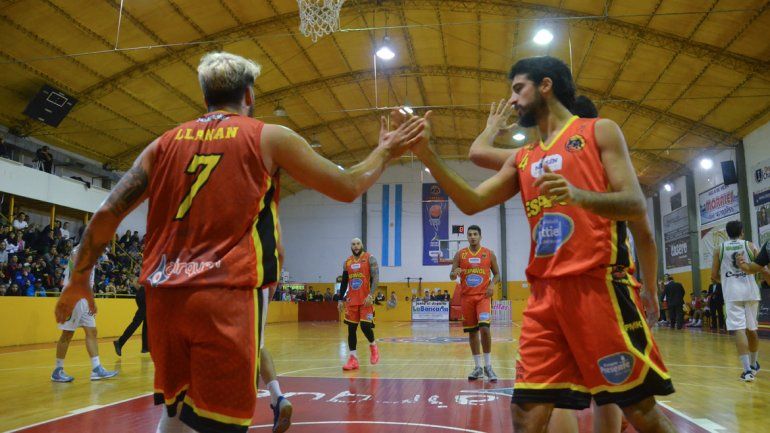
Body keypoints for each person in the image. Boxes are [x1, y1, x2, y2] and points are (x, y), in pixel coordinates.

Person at [54, 51, 423, 433]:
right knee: (221, 424)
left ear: (204, 97)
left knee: (175, 414)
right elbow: (347, 186)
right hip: (224, 295)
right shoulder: (268, 137)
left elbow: (107, 213)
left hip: (164, 298)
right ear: (249, 95)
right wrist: (386, 150)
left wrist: (78, 279)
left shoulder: (161, 145)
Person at [397, 55, 675, 432]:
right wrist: (426, 153)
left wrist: (578, 196)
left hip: (597, 289)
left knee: (639, 411)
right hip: (544, 298)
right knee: (527, 412)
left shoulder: (599, 131)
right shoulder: (524, 157)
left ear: (545, 85)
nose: (512, 99)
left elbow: (635, 204)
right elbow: (472, 201)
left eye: (518, 89)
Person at [463, 93, 648, 433]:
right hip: (605, 287)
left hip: (564, 288)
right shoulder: (605, 162)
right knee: (608, 386)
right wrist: (649, 287)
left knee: (561, 393)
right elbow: (645, 233)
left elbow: (477, 153)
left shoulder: (540, 158)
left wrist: (492, 128)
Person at [51, 245, 118, 382]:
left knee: (92, 331)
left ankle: (96, 369)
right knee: (67, 334)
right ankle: (57, 370)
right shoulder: (79, 251)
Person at [450, 225, 500, 382]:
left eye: (475, 234)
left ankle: (488, 366)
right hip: (466, 298)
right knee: (472, 332)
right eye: (470, 234)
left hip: (483, 297)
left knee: (484, 328)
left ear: (480, 236)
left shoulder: (489, 254)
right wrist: (454, 273)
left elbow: (497, 275)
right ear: (467, 237)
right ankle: (478, 367)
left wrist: (492, 285)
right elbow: (452, 275)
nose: (472, 237)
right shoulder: (460, 254)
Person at [714, 221, 761, 381]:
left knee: (739, 330)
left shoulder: (719, 249)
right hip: (751, 291)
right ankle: (754, 365)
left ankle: (747, 371)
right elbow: (761, 267)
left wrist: (728, 281)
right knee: (752, 329)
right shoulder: (750, 246)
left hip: (732, 293)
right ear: (742, 232)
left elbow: (713, 275)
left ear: (727, 233)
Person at [339, 237, 380, 370]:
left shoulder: (370, 258)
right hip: (352, 301)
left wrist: (371, 295)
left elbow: (376, 278)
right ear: (351, 246)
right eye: (353, 244)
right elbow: (344, 282)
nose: (356, 246)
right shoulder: (347, 262)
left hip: (365, 300)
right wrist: (340, 299)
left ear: (361, 245)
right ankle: (353, 359)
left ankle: (373, 347)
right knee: (351, 330)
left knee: (365, 327)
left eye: (358, 243)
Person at [113, 279, 148, 355]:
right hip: (143, 295)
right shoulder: (142, 289)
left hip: (143, 295)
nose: (133, 285)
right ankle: (120, 342)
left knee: (145, 324)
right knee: (136, 323)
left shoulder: (141, 290)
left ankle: (145, 347)